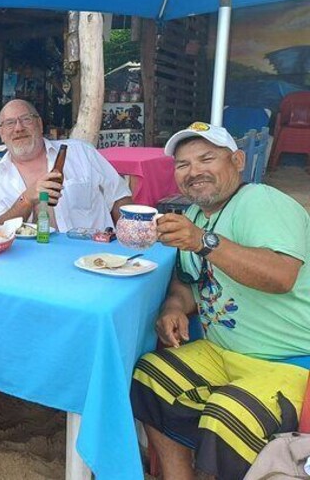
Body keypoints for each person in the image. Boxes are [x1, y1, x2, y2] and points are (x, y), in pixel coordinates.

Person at [131, 121, 310, 480]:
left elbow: (281, 275)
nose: (194, 171)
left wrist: (204, 242)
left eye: (206, 158)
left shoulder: (261, 201)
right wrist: (174, 308)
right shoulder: (196, 215)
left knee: (224, 416)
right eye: (183, 165)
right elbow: (188, 281)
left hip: (287, 360)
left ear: (238, 161)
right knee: (149, 377)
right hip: (220, 353)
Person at [0, 99, 131, 231]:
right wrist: (26, 200)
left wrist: (127, 244)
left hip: (92, 254)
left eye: (26, 119)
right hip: (28, 259)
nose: (18, 128)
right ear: (1, 133)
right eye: (10, 123)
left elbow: (120, 197)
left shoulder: (81, 152)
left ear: (39, 124)